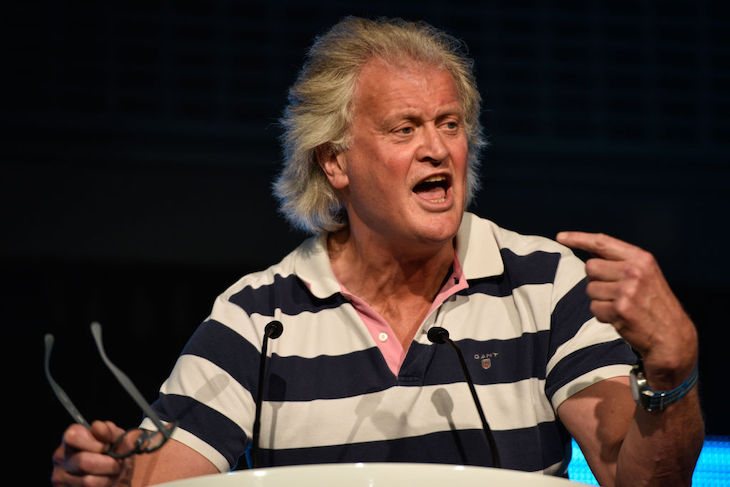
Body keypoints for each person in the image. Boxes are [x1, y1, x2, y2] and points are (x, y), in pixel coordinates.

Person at [52, 16, 704, 487]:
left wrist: (672, 370)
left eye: (450, 124)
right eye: (405, 128)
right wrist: (109, 473)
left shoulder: (547, 283)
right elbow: (158, 479)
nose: (437, 148)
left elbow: (642, 479)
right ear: (335, 162)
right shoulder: (256, 317)